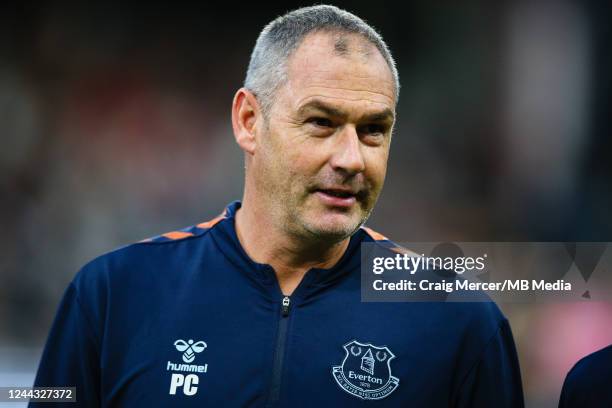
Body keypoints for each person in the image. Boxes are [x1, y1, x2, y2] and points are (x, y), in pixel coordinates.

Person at [32, 5, 524, 407]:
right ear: (249, 121)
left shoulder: (458, 319)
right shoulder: (113, 296)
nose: (352, 158)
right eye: (320, 123)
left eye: (373, 130)